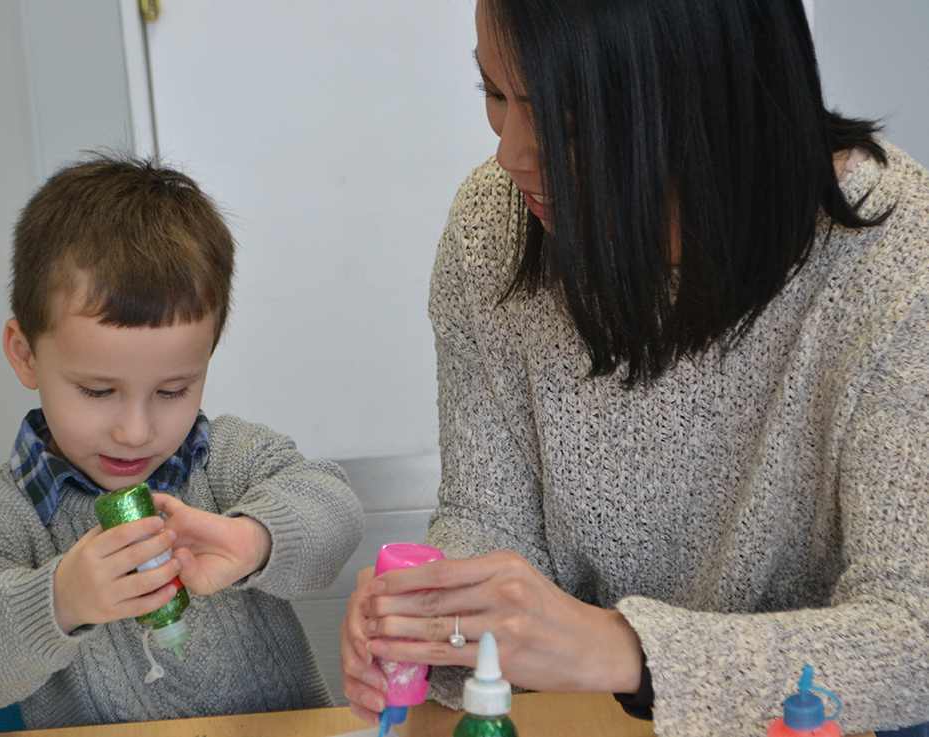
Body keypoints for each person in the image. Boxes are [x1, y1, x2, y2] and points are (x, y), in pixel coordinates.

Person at [341, 1, 929, 736]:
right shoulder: (492, 226)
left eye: (566, 122)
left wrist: (625, 648)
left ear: (704, 94)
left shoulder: (898, 256)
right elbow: (488, 520)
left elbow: (912, 637)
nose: (511, 154)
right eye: (494, 93)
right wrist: (433, 618)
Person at [0, 155, 364, 729]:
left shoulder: (225, 458)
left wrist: (255, 538)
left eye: (173, 390)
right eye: (98, 391)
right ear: (26, 355)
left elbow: (334, 509)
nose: (136, 432)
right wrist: (59, 601)